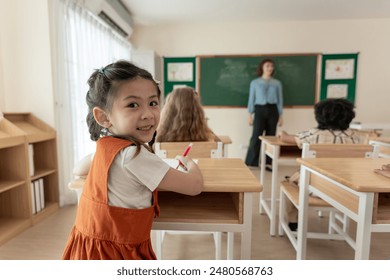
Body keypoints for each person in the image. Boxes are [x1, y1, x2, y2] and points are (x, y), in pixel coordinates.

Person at [62, 60, 203, 260]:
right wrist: (190, 164)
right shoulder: (135, 155)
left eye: (153, 103)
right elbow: (194, 185)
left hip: (88, 249)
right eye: (132, 105)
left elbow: (79, 169)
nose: (148, 114)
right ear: (103, 117)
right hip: (119, 254)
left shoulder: (105, 146)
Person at [279, 98, 361, 231]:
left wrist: (283, 133)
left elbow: (285, 138)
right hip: (345, 190)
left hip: (316, 190)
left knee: (289, 182)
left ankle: (293, 221)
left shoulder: (313, 135)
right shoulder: (355, 138)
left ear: (320, 116)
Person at [245, 58, 283, 169]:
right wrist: (249, 114)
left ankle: (268, 163)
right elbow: (251, 98)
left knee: (271, 137)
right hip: (259, 109)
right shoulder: (255, 82)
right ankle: (252, 162)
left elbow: (280, 100)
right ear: (262, 67)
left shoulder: (277, 83)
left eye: (271, 66)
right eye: (267, 66)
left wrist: (281, 115)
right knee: (256, 136)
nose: (270, 68)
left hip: (273, 110)